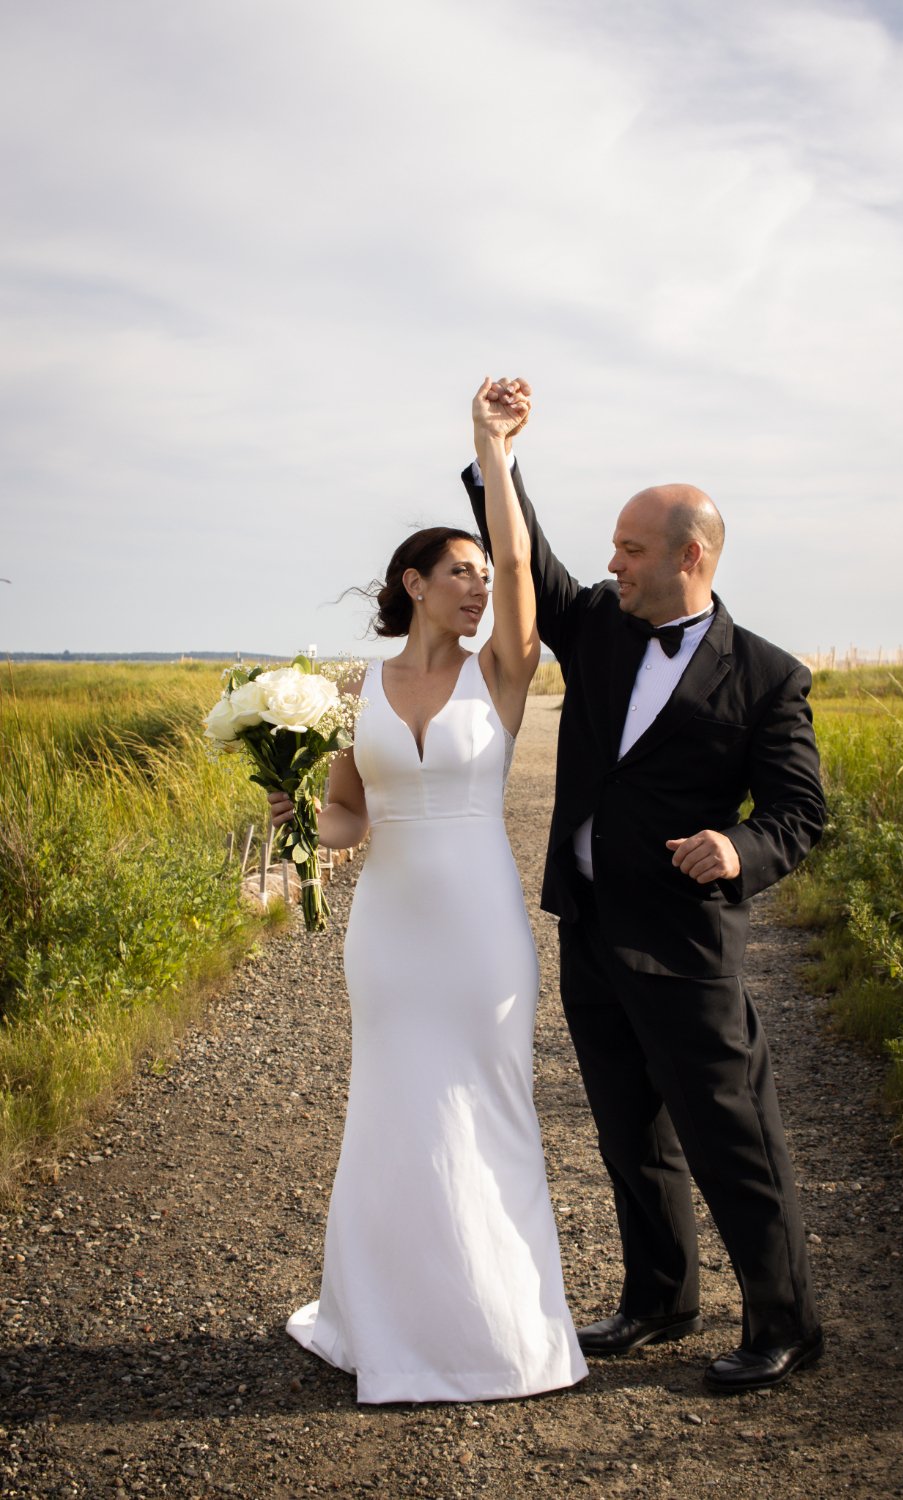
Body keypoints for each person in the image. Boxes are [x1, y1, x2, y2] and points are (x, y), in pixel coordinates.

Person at [462, 379, 826, 1393]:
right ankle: (657, 1298)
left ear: (689, 556)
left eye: (629, 548)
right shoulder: (599, 626)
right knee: (628, 1132)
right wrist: (493, 450)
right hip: (588, 928)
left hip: (686, 944)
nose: (611, 561)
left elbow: (799, 814)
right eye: (612, 548)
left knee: (730, 1136)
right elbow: (522, 549)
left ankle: (787, 1322)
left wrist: (737, 849)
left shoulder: (766, 677)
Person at [268, 378, 587, 1404]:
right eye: (459, 572)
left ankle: (501, 1334)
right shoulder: (355, 690)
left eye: (485, 575)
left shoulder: (501, 670)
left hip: (478, 925)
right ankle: (387, 1322)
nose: (479, 587)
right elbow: (352, 818)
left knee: (487, 1107)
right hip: (390, 934)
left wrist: (490, 450)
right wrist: (293, 823)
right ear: (412, 582)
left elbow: (524, 563)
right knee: (394, 1116)